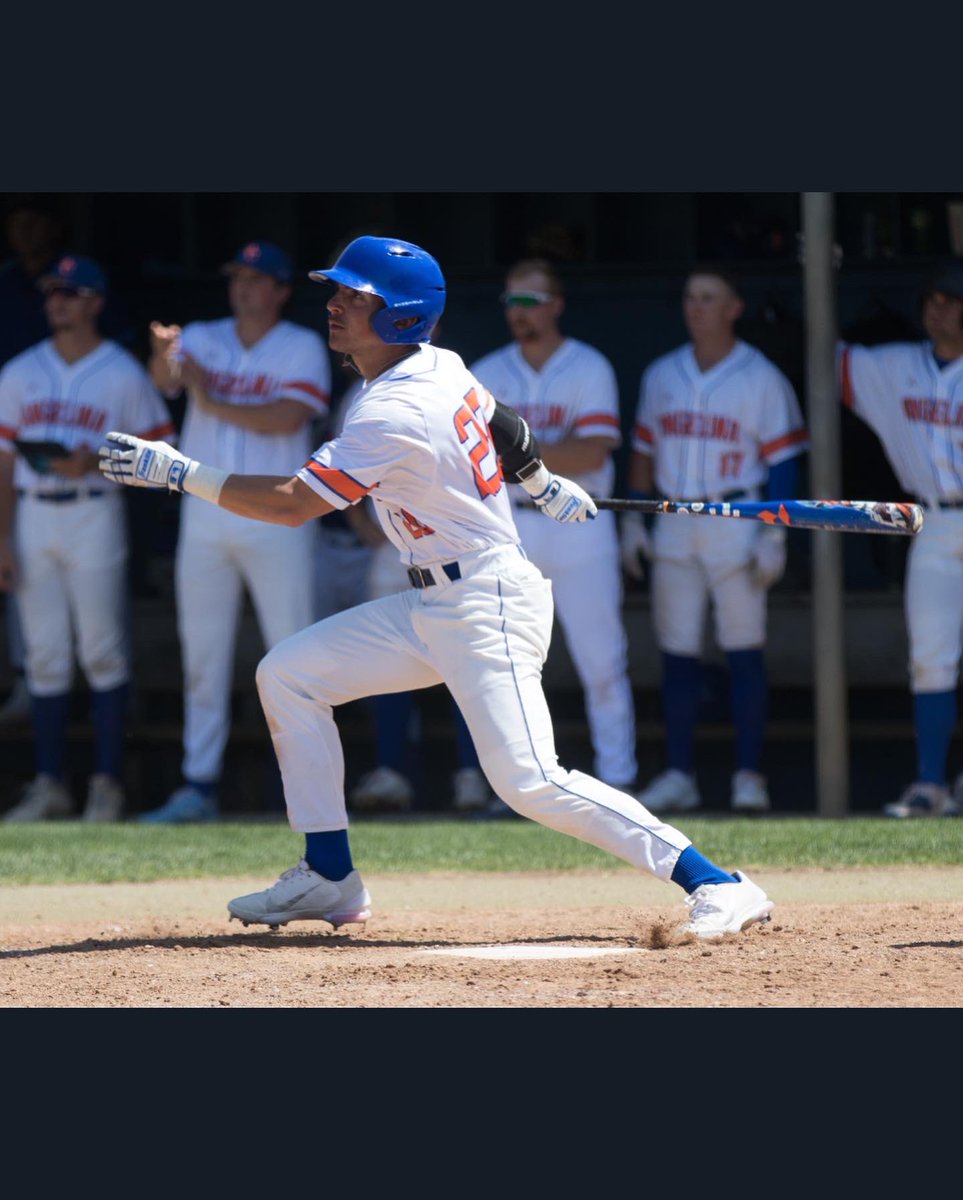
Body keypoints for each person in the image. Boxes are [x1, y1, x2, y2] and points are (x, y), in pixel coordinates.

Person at [97, 234, 775, 940]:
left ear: (398, 318)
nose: (333, 306)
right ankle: (329, 876)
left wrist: (180, 473)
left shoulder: (395, 411)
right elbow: (503, 423)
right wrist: (541, 482)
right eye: (338, 293)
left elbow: (294, 503)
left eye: (354, 299)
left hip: (487, 605)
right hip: (433, 600)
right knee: (289, 676)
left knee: (529, 781)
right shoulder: (437, 364)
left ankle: (716, 883)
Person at [139, 239, 332, 823]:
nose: (243, 287)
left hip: (279, 515)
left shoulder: (301, 345)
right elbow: (165, 378)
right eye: (237, 277)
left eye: (255, 279)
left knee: (293, 651)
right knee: (203, 654)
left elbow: (287, 416)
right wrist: (164, 354)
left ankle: (306, 789)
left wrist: (207, 389)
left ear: (280, 290)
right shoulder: (201, 334)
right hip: (204, 517)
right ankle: (198, 783)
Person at [622, 265, 808, 814]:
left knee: (743, 645)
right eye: (690, 297)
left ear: (734, 308)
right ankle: (681, 773)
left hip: (737, 511)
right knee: (676, 649)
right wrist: (633, 520)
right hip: (675, 513)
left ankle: (749, 776)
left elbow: (785, 462)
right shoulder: (663, 374)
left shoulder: (761, 376)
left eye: (708, 298)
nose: (696, 307)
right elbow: (644, 450)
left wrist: (774, 535)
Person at [0, 253, 176, 821]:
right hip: (32, 513)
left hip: (95, 509)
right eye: (53, 291)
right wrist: (2, 540)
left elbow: (162, 456)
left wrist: (96, 464)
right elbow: (3, 461)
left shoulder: (121, 371)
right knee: (45, 656)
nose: (58, 300)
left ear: (97, 302)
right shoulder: (21, 370)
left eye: (72, 292)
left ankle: (107, 785)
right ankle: (50, 784)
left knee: (101, 650)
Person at [469, 258, 639, 799]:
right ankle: (509, 787)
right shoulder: (488, 369)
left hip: (577, 525)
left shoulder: (588, 366)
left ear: (555, 304)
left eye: (529, 300)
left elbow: (593, 449)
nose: (517, 312)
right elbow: (469, 459)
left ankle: (619, 779)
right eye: (510, 302)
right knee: (497, 662)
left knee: (602, 660)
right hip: (509, 527)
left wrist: (514, 456)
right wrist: (542, 457)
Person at [838, 259, 963, 818]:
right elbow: (831, 358)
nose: (939, 307)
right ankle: (930, 784)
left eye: (953, 299)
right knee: (931, 660)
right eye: (933, 297)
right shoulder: (896, 366)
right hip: (932, 523)